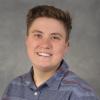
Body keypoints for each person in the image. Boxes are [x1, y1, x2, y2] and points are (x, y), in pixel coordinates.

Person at [1, 5, 99, 100]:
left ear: (66, 47)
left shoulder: (81, 94)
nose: (45, 44)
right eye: (38, 35)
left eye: (55, 37)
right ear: (27, 40)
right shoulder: (13, 88)